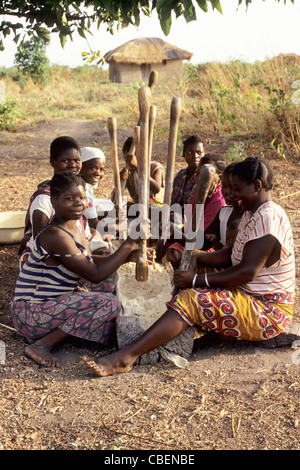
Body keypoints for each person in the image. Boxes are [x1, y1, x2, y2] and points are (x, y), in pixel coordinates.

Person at [82, 156, 295, 377]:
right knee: (191, 261)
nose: (232, 194)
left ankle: (125, 358)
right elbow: (233, 254)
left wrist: (195, 281)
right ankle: (173, 327)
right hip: (248, 294)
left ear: (257, 185)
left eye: (236, 188)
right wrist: (196, 258)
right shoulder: (254, 212)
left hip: (267, 310)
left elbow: (247, 272)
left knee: (191, 300)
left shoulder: (268, 217)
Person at [12, 171, 152, 368]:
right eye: (69, 199)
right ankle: (42, 345)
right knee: (108, 304)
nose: (78, 203)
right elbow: (94, 274)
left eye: (82, 197)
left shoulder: (76, 224)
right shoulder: (55, 234)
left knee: (111, 279)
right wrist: (129, 243)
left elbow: (88, 259)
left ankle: (73, 329)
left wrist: (129, 256)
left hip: (50, 304)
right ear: (53, 201)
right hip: (30, 315)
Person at [18, 136, 83, 266]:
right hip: (46, 261)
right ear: (53, 162)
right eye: (65, 160)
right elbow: (42, 244)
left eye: (77, 160)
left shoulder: (78, 191)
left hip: (69, 251)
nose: (72, 165)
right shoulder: (44, 199)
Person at [160, 154, 227, 267]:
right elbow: (189, 226)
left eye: (203, 175)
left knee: (174, 254)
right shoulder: (199, 190)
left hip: (207, 248)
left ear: (219, 178)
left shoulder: (219, 201)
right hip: (190, 239)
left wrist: (173, 232)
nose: (197, 178)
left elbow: (202, 242)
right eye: (197, 173)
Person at [111, 136, 165, 206]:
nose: (129, 163)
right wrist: (120, 180)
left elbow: (156, 189)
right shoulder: (128, 172)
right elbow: (114, 199)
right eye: (126, 159)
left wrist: (138, 168)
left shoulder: (155, 167)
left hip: (156, 207)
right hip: (137, 207)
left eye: (131, 160)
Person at [204, 162, 244, 251]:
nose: (226, 191)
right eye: (224, 186)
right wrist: (174, 233)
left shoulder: (250, 217)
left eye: (232, 187)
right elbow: (202, 243)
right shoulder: (224, 212)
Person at [80, 146, 112, 254]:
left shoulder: (82, 184)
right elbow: (93, 223)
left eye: (101, 169)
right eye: (92, 168)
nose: (98, 173)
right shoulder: (83, 187)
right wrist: (122, 228)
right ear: (80, 167)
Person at [171, 135, 205, 207]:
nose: (195, 156)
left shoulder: (204, 178)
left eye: (199, 152)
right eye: (190, 152)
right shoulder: (180, 175)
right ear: (184, 155)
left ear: (204, 154)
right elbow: (174, 201)